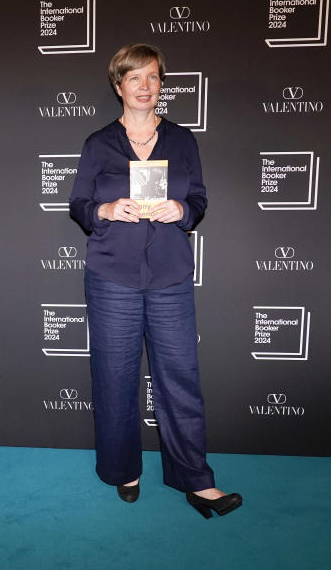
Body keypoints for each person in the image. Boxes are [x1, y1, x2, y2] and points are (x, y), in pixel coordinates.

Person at [69, 44, 241, 519]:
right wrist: (103, 210)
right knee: (115, 378)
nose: (144, 87)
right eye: (134, 78)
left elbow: (200, 199)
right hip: (111, 277)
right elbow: (78, 204)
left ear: (161, 84)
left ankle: (195, 480)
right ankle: (123, 468)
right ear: (118, 86)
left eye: (152, 77)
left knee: (180, 377)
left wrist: (182, 210)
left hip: (170, 277)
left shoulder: (183, 141)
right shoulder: (98, 143)